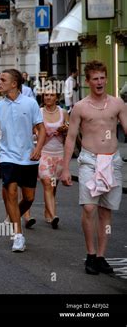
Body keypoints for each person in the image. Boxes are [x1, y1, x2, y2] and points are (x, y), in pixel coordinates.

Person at [61, 60, 127, 275]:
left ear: (106, 79)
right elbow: (71, 138)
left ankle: (101, 256)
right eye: (94, 79)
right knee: (89, 207)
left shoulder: (118, 104)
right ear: (88, 81)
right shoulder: (80, 107)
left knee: (106, 211)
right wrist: (64, 168)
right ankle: (90, 254)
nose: (99, 82)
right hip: (89, 160)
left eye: (102, 78)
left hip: (113, 161)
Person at [0, 69, 46, 253]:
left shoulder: (30, 104)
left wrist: (38, 149)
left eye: (2, 79)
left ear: (14, 84)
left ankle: (13, 218)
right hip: (7, 156)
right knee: (11, 192)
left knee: (29, 198)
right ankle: (18, 235)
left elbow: (41, 129)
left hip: (28, 157)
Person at [38, 89, 69, 229]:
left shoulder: (63, 112)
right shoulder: (38, 112)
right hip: (44, 153)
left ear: (57, 97)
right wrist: (43, 133)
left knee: (53, 185)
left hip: (59, 154)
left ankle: (47, 211)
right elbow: (34, 130)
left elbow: (69, 130)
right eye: (46, 95)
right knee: (47, 183)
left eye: (51, 95)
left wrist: (64, 129)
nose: (48, 97)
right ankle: (53, 216)